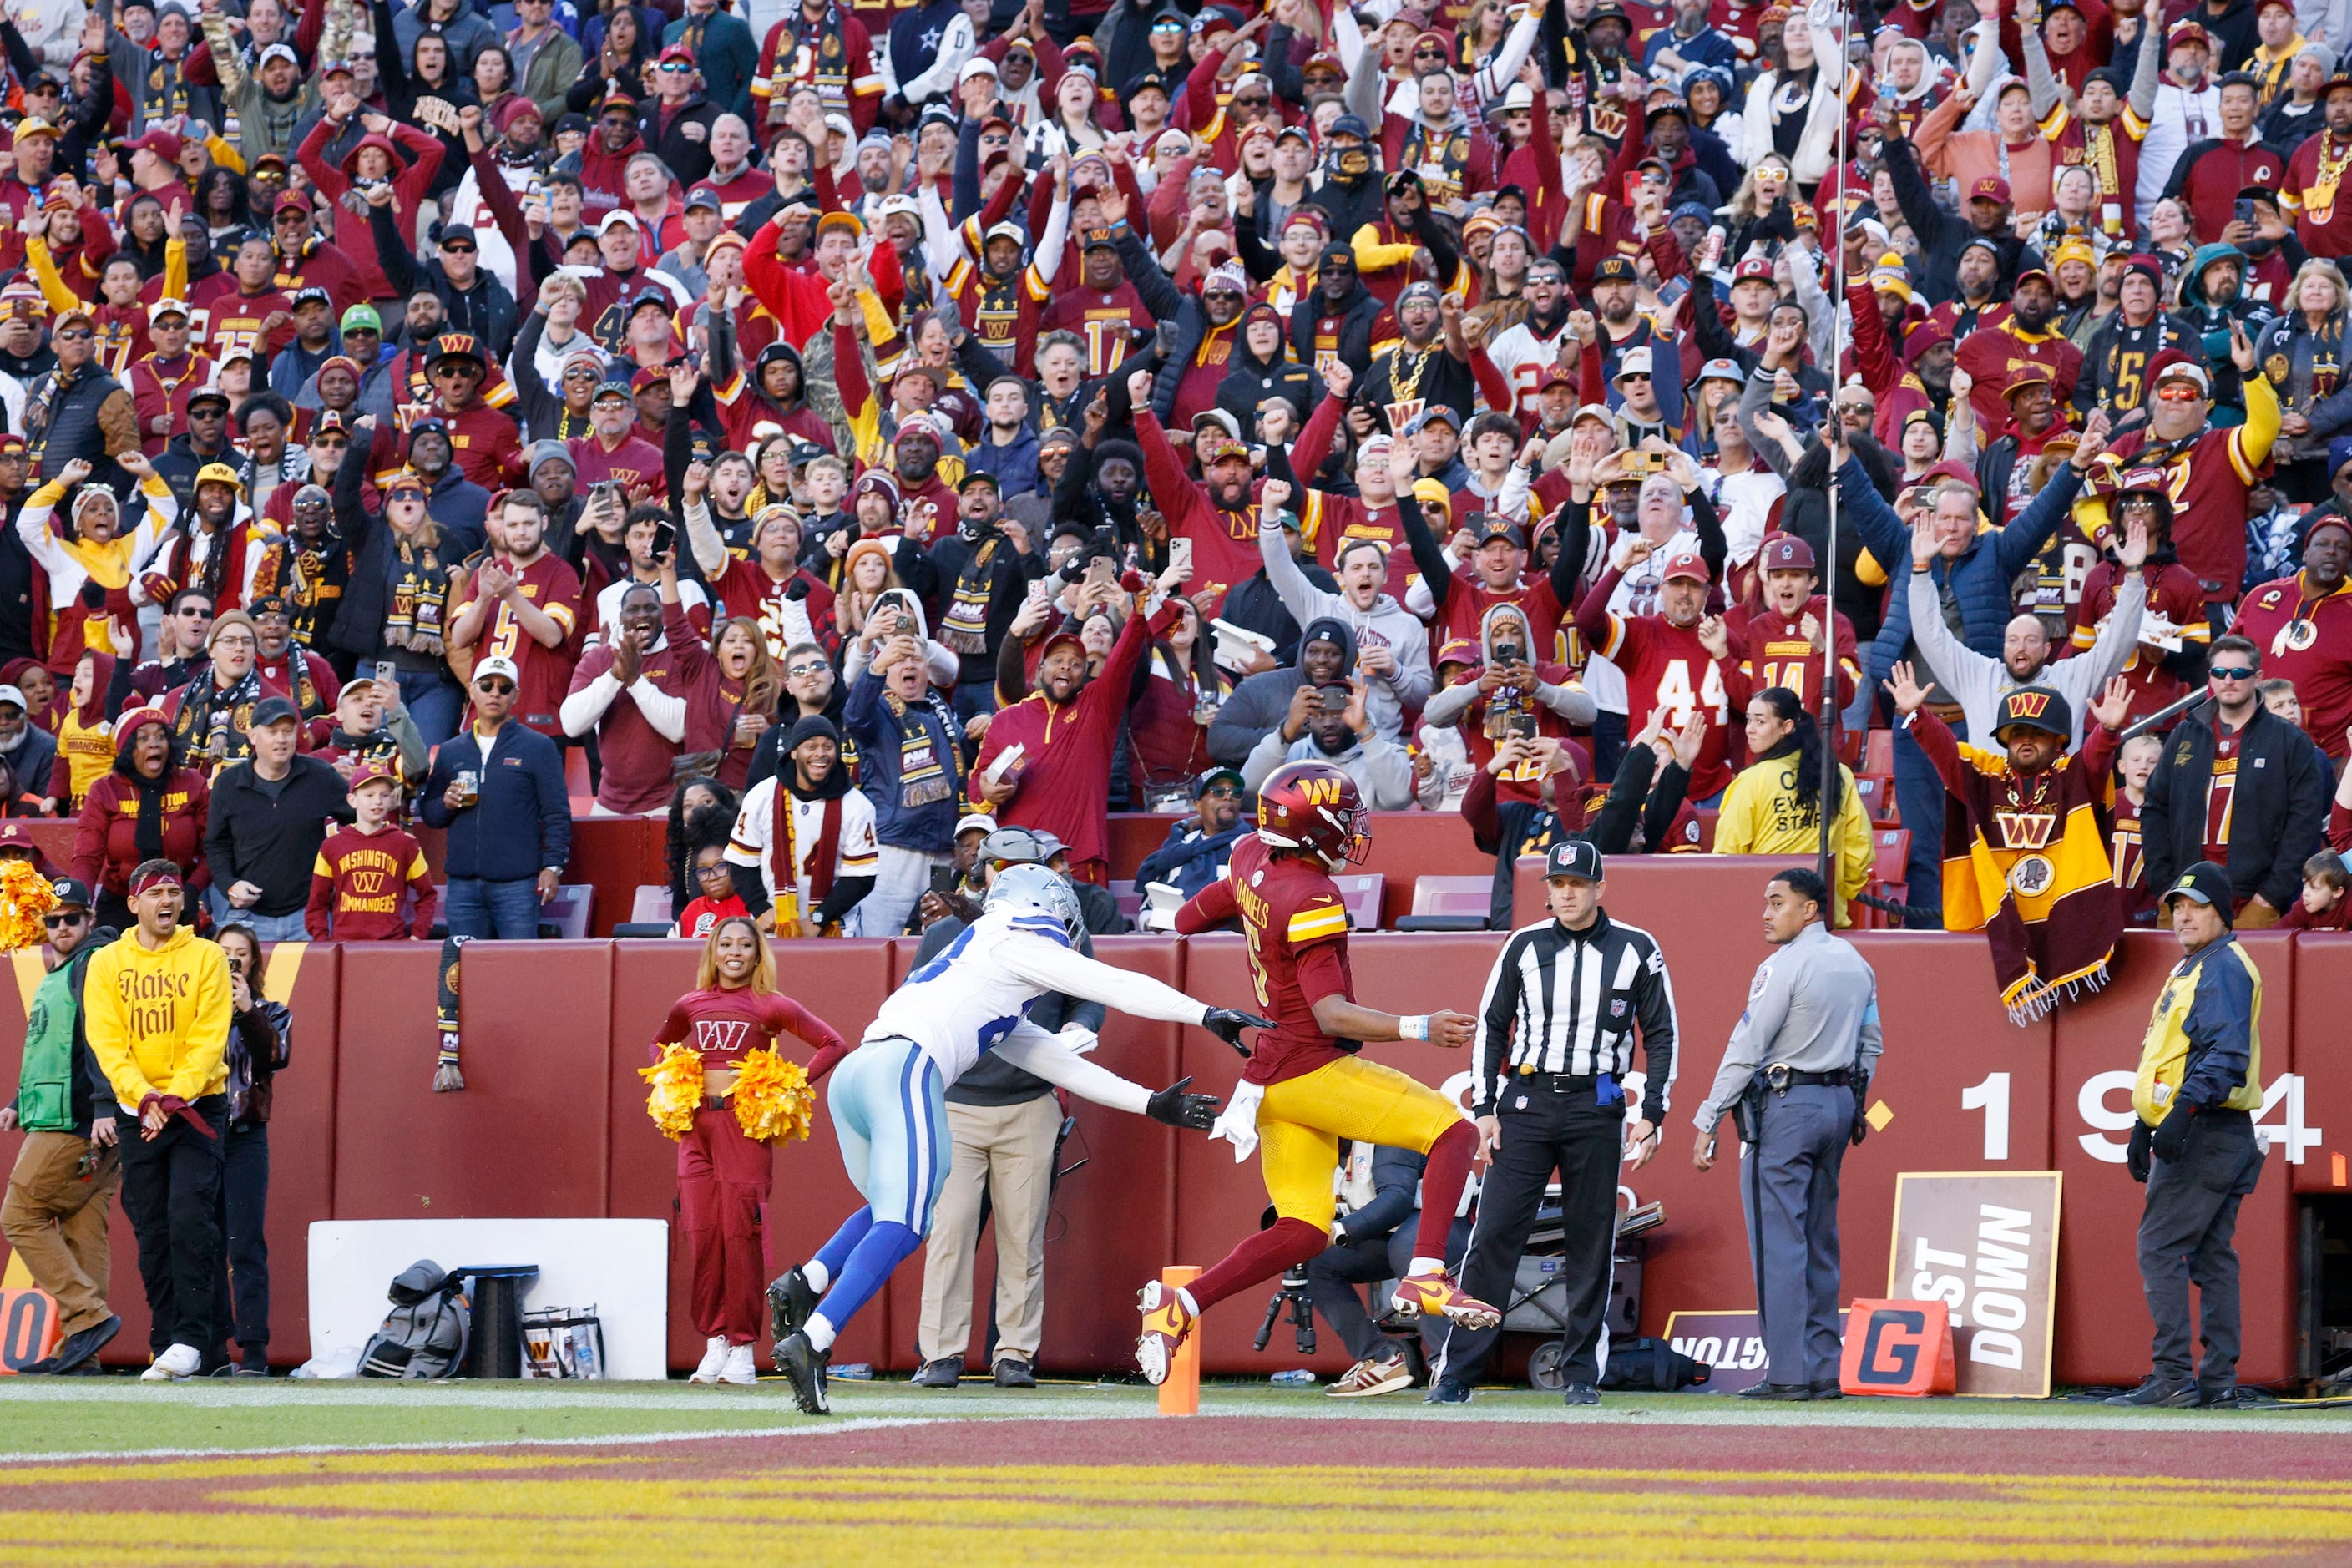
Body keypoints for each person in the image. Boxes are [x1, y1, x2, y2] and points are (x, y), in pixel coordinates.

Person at [764, 866, 1242, 1414]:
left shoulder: (986, 973)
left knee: (886, 1208)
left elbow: (1054, 1060)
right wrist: (1203, 1013)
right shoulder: (1020, 936)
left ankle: (808, 1279)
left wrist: (1148, 1102)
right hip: (906, 1068)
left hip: (859, 1074)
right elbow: (1111, 984)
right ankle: (815, 1339)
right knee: (907, 1222)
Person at [1143, 762, 1495, 1387]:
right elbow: (1330, 1011)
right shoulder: (1310, 895)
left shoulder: (1252, 851)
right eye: (1347, 815)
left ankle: (1182, 1306)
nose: (1356, 825)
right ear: (1312, 828)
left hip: (1267, 1081)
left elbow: (1206, 909)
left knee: (1303, 1230)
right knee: (1454, 1134)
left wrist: (1180, 920)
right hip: (1311, 1068)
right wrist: (1420, 1027)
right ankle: (1427, 1273)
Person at [1433, 839, 1676, 1407]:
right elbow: (1492, 1025)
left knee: (1590, 1240)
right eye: (1556, 884)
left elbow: (1660, 1033)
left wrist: (1653, 1110)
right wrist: (1484, 1108)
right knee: (1493, 1235)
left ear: (1598, 888)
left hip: (1597, 1102)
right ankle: (1457, 1374)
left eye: (1576, 884)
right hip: (1526, 1100)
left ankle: (1581, 1376)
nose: (1565, 894)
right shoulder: (1522, 945)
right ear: (1547, 890)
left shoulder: (1636, 949)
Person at [1689, 867, 1882, 1400]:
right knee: (1820, 1241)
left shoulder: (1782, 966)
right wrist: (1855, 1105)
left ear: (1810, 909)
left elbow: (1748, 1046)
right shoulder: (1857, 963)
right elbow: (1872, 1045)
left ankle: (1788, 1375)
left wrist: (1708, 1117)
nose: (1767, 913)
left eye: (1777, 903)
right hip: (1839, 1103)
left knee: (1779, 1243)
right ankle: (1823, 1370)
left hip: (1786, 1105)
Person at [653, 916, 850, 1388]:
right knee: (701, 1235)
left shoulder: (771, 1004)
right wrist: (670, 1079)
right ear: (713, 952)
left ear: (759, 954)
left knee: (740, 1237)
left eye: (745, 944)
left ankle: (742, 1345)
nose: (735, 951)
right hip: (694, 1129)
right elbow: (661, 1044)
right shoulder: (690, 1003)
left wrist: (789, 1088)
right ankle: (714, 1342)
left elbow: (833, 1044)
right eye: (726, 944)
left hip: (744, 1129)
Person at [2109, 861, 2267, 1409]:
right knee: (2210, 1255)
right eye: (2177, 906)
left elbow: (2223, 1056)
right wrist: (2142, 1120)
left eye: (2196, 906)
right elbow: (2176, 1057)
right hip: (2220, 1129)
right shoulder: (2201, 964)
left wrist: (2178, 1115)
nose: (2182, 916)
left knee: (2158, 1247)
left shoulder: (2218, 967)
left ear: (2221, 912)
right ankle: (2217, 1380)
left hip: (2206, 1129)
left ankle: (2172, 1374)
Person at [83, 859, 235, 1383]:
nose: (167, 902)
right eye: (156, 894)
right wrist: (143, 1096)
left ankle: (194, 1339)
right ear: (133, 904)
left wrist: (172, 1099)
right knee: (152, 1230)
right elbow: (106, 1040)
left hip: (195, 1109)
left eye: (175, 892)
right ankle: (167, 1337)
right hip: (137, 1112)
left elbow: (209, 1038)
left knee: (191, 1219)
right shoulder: (105, 963)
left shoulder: (208, 956)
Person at [0, 877, 121, 1376]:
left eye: (73, 917)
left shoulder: (91, 965)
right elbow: (53, 1047)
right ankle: (84, 1352)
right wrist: (16, 1100)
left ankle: (88, 1317)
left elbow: (101, 1039)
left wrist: (102, 1106)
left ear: (89, 921)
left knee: (20, 1215)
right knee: (83, 1230)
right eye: (55, 919)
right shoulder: (66, 969)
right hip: (86, 1118)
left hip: (74, 1120)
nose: (63, 926)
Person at [2141, 633, 2330, 927]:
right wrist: (2165, 886)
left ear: (2258, 677)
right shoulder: (2184, 734)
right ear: (2211, 678)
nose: (2229, 680)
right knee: (2180, 975)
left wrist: (2270, 895)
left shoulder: (2290, 740)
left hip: (2252, 899)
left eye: (2239, 673)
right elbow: (2154, 808)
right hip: (2185, 894)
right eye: (2219, 672)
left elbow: (2303, 824)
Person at [419, 656, 571, 939]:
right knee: (464, 975)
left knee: (517, 973)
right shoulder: (451, 750)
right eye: (487, 685)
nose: (494, 693)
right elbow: (430, 814)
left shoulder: (538, 747)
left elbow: (557, 813)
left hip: (517, 886)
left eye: (504, 688)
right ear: (472, 690)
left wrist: (553, 867)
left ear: (516, 696)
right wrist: (445, 803)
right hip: (462, 885)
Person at [560, 568, 718, 816]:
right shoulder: (598, 659)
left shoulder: (679, 657)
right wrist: (615, 676)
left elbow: (678, 728)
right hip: (609, 801)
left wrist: (634, 679)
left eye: (651, 608)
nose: (642, 614)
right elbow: (571, 724)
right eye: (633, 610)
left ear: (663, 614)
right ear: (620, 617)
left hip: (668, 802)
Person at [200, 695, 352, 941]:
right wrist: (229, 885)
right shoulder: (228, 785)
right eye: (272, 731)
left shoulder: (320, 776)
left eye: (288, 731)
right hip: (246, 916)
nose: (281, 739)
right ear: (252, 736)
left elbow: (358, 824)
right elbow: (216, 845)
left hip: (308, 915)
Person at [209, 922, 289, 1378]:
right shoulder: (194, 1010)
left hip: (244, 1135)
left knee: (246, 1243)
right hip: (199, 1134)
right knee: (206, 1242)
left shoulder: (273, 1011)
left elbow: (275, 1055)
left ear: (254, 962)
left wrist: (245, 1011)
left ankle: (254, 1350)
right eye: (224, 952)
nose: (232, 959)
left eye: (241, 953)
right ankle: (213, 1349)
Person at [724, 715, 879, 937]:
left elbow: (861, 877)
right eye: (811, 746)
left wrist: (819, 918)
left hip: (836, 926)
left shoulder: (858, 805)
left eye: (828, 746)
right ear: (794, 751)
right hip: (773, 926)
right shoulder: (761, 795)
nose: (820, 754)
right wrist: (760, 908)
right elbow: (741, 863)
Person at [71, 706, 209, 933]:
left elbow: (213, 848)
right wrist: (78, 903)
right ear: (127, 748)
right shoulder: (105, 790)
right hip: (120, 901)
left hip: (177, 900)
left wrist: (192, 889)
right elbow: (87, 856)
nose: (154, 744)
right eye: (143, 738)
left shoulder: (192, 783)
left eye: (161, 736)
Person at [306, 761, 438, 939]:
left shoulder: (405, 844)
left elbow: (427, 895)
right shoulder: (332, 846)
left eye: (384, 795)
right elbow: (317, 901)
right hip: (344, 946)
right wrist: (322, 940)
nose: (378, 801)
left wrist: (417, 935)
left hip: (391, 946)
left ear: (392, 799)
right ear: (352, 800)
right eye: (369, 795)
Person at [1133, 766, 1250, 905]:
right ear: (1198, 805)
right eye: (1218, 792)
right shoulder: (1180, 844)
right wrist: (1148, 922)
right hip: (1171, 925)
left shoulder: (1250, 846)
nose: (1228, 797)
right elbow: (1151, 905)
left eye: (1236, 793)